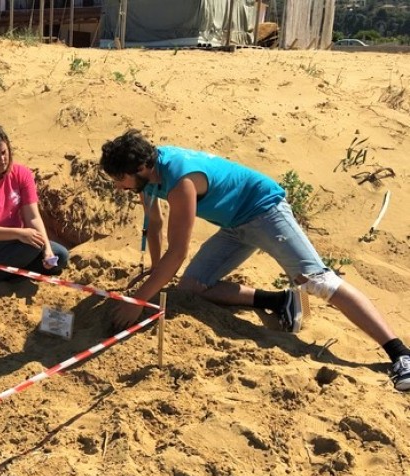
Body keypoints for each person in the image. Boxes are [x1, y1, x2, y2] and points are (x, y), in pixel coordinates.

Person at [99, 129, 410, 392]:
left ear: (139, 167)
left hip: (265, 212)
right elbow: (153, 224)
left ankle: (400, 354)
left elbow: (177, 251)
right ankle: (280, 301)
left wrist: (138, 301)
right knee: (191, 287)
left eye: (119, 179)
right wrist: (154, 273)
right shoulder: (148, 177)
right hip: (234, 225)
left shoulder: (180, 179)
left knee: (318, 282)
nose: (117, 186)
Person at [0, 125, 69, 293]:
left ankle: (7, 270)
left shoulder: (21, 174)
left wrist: (47, 250)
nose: (1, 159)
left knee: (59, 256)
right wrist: (20, 233)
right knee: (32, 245)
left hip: (13, 241)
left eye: (3, 153)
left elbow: (32, 217)